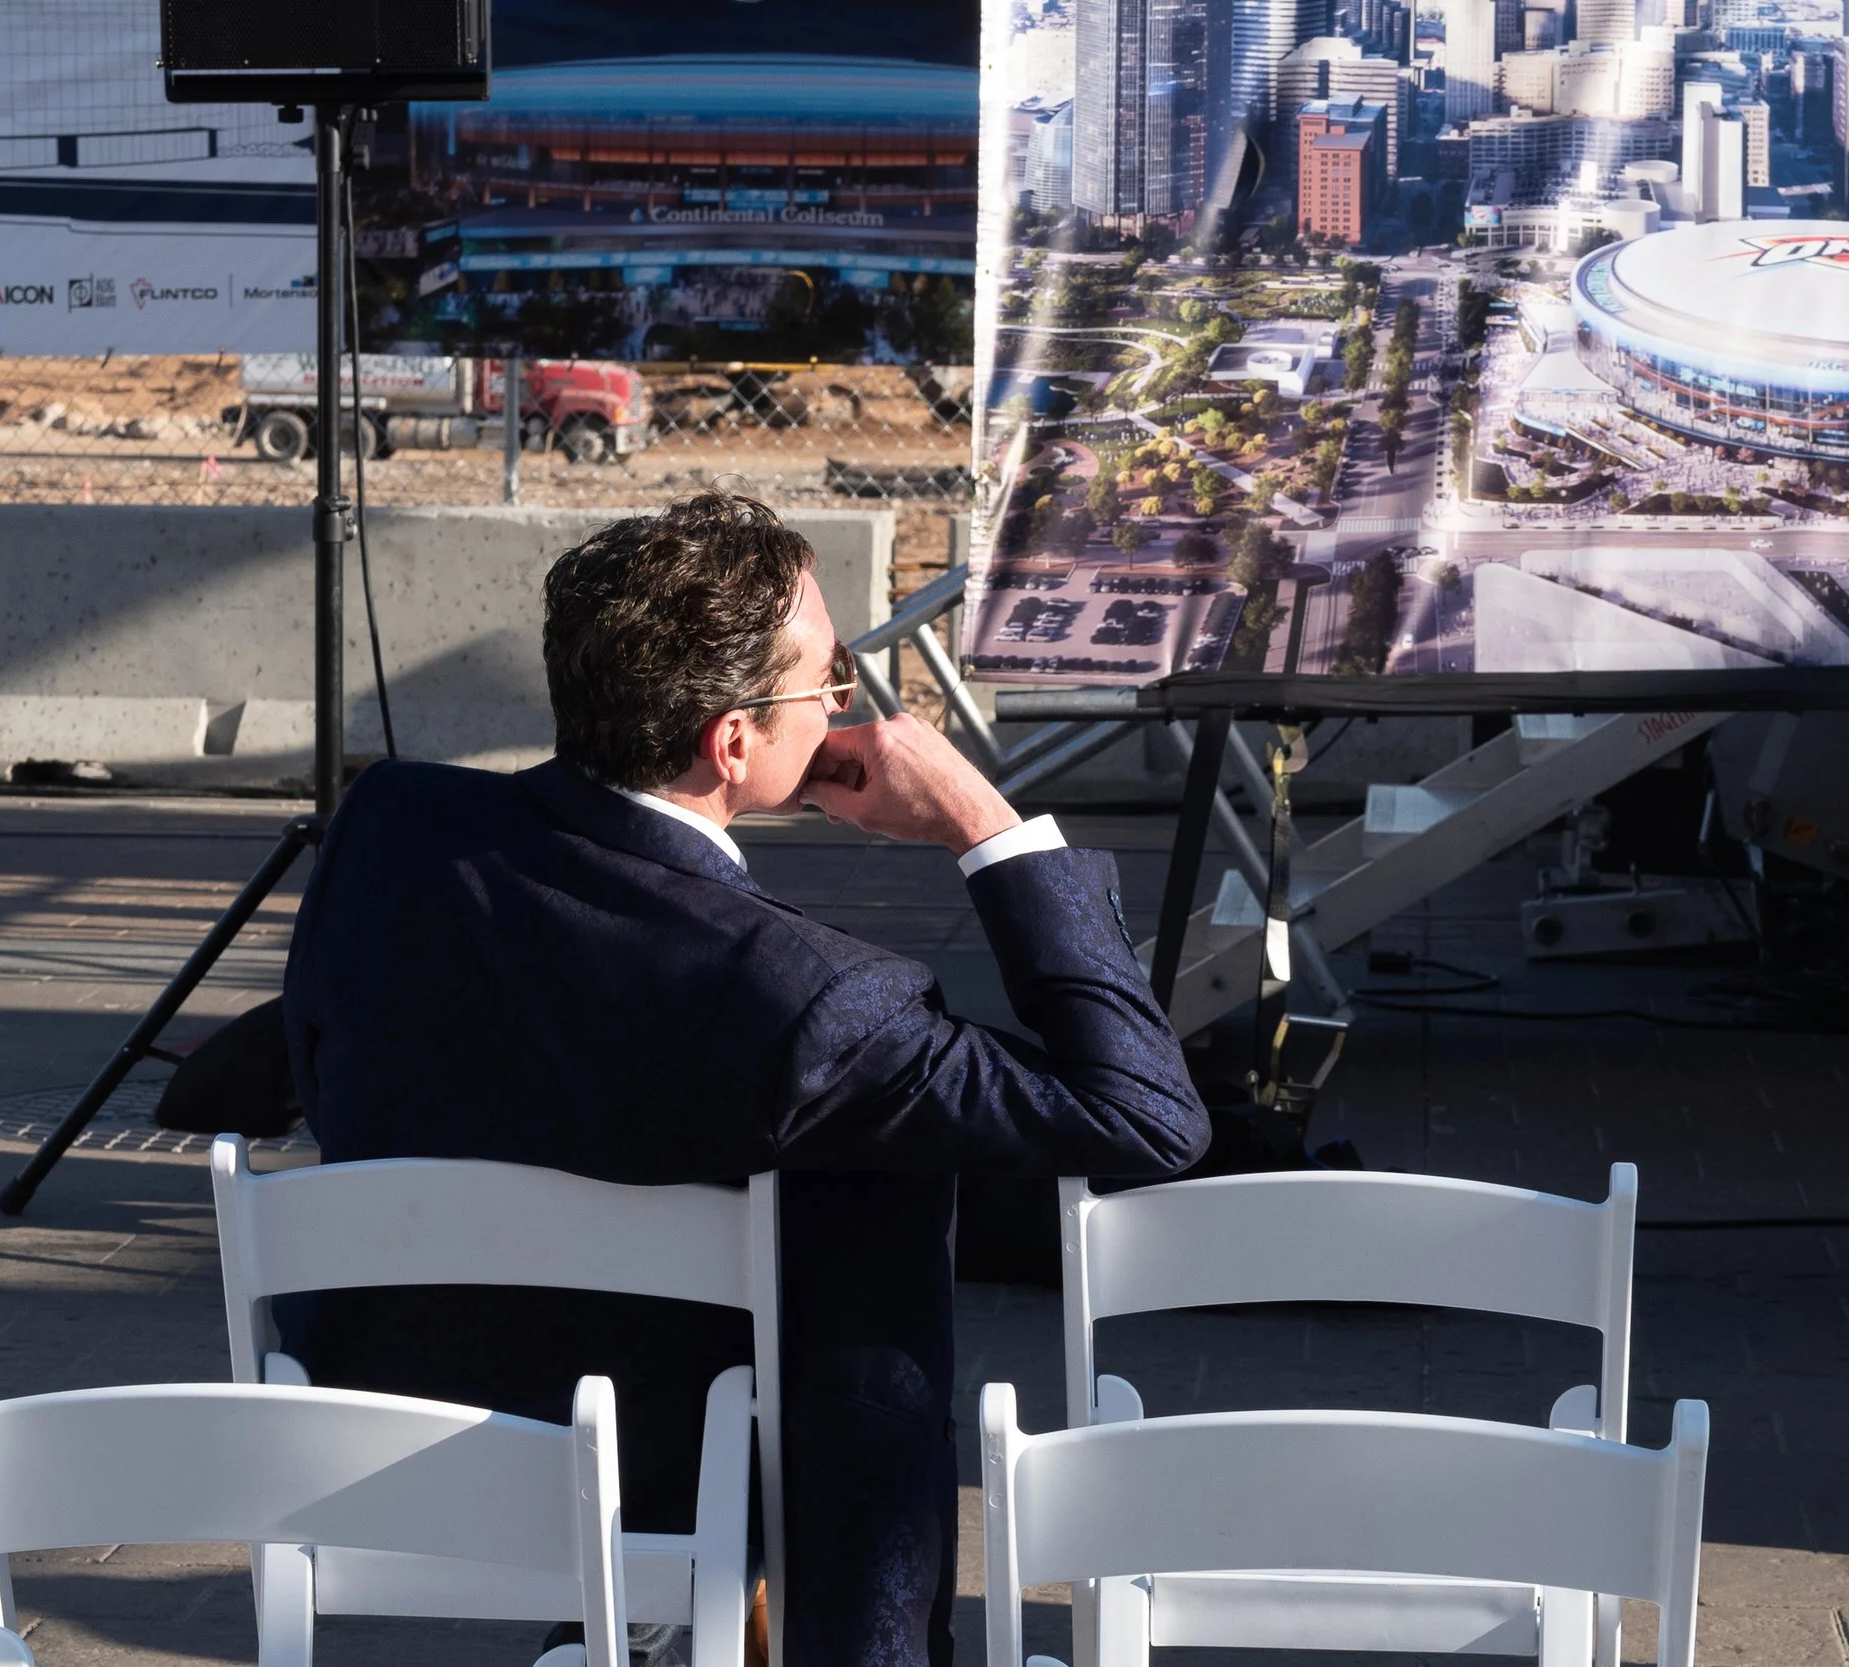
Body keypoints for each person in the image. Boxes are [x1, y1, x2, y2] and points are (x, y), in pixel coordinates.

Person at [276, 491, 1209, 1667]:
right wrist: (987, 820)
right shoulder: (814, 998)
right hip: (674, 1470)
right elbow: (1146, 1113)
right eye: (828, 677)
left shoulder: (394, 824)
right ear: (731, 742)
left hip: (379, 1425)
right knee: (851, 1225)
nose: (844, 703)